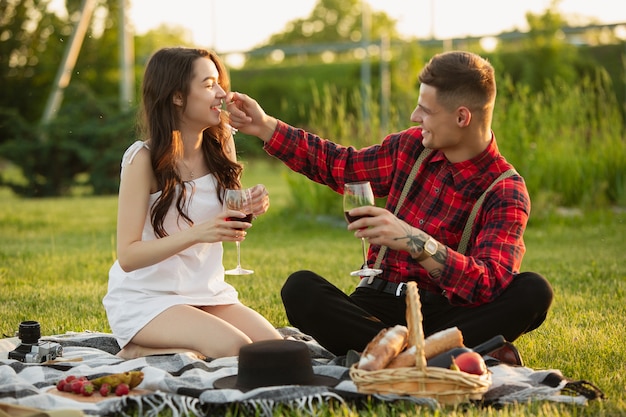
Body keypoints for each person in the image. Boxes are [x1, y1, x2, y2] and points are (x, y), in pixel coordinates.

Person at [226, 51, 553, 357]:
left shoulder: (505, 190)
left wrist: (415, 241)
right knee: (300, 288)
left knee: (533, 291)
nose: (415, 117)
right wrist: (265, 126)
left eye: (426, 110)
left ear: (462, 117)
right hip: (376, 306)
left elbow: (488, 285)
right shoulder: (411, 147)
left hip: (449, 318)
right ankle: (423, 358)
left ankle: (394, 355)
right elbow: (343, 165)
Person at [103, 47, 282, 360]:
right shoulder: (141, 160)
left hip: (207, 292)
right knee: (234, 349)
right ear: (177, 96)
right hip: (149, 298)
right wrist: (199, 233)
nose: (222, 94)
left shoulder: (221, 141)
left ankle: (189, 343)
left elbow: (225, 213)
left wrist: (250, 204)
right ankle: (137, 349)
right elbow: (128, 256)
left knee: (278, 349)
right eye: (209, 84)